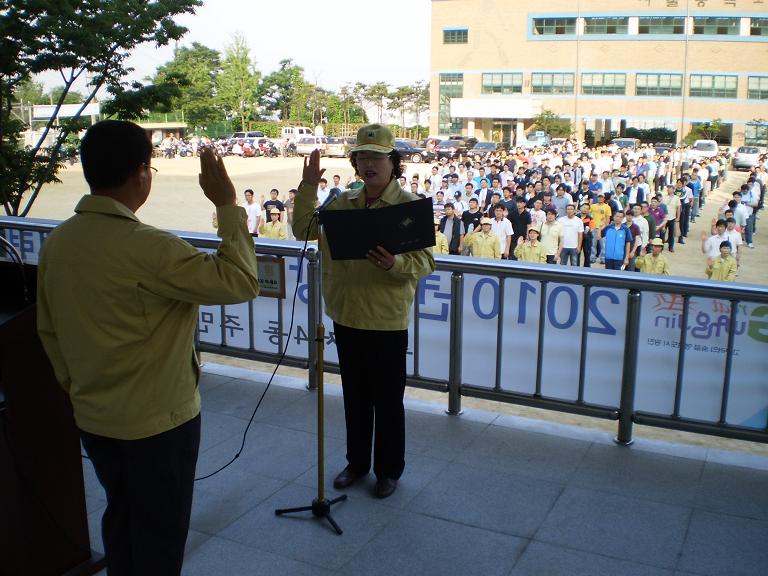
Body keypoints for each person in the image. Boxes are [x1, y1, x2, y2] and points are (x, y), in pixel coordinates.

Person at [36, 120, 260, 575]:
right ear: (141, 173)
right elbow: (241, 281)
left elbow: (49, 332)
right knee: (159, 534)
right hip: (158, 425)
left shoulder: (58, 243)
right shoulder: (148, 247)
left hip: (95, 417)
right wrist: (227, 205)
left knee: (120, 517)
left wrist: (79, 389)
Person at [292, 125, 435, 499]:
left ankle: (388, 471)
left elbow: (425, 261)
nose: (369, 163)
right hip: (347, 315)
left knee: (388, 399)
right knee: (354, 396)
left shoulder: (409, 206)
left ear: (393, 162)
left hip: (386, 319)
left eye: (377, 156)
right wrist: (308, 186)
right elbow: (302, 230)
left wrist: (395, 264)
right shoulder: (342, 203)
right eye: (362, 156)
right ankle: (357, 464)